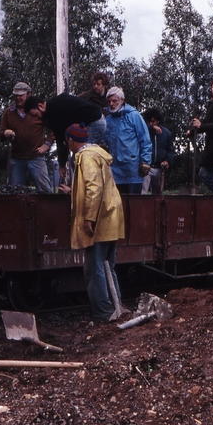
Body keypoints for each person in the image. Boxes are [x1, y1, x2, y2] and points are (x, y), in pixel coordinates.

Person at [57, 123, 125, 322]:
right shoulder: (97, 154)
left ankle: (103, 313)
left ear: (71, 140)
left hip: (100, 218)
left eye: (67, 141)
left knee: (94, 268)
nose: (67, 145)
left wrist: (89, 218)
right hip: (111, 215)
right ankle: (116, 306)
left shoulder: (86, 157)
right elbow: (95, 184)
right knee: (108, 266)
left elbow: (94, 188)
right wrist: (73, 192)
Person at [24, 92, 106, 183]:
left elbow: (61, 141)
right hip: (95, 120)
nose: (37, 118)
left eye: (35, 115)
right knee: (78, 159)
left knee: (82, 158)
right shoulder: (55, 103)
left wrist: (62, 165)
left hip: (94, 123)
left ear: (40, 106)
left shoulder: (53, 113)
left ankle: (88, 186)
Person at [0, 82, 54, 193]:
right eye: (15, 95)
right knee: (15, 192)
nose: (18, 98)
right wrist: (5, 133)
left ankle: (49, 210)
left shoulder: (38, 112)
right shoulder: (8, 113)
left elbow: (54, 128)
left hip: (36, 157)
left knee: (45, 191)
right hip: (16, 158)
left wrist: (47, 144)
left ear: (29, 94)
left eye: (21, 95)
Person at [103, 87, 152, 195]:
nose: (111, 104)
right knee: (117, 207)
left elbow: (145, 139)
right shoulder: (108, 120)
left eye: (114, 101)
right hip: (114, 172)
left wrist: (145, 162)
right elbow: (104, 142)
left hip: (132, 171)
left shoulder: (134, 116)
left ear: (122, 100)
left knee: (134, 206)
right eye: (109, 101)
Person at [141, 108, 174, 195]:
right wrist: (151, 127)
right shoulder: (144, 131)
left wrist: (167, 160)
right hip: (146, 167)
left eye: (153, 121)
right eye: (149, 122)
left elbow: (170, 150)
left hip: (159, 168)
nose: (151, 124)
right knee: (142, 193)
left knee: (157, 194)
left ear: (158, 121)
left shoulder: (167, 133)